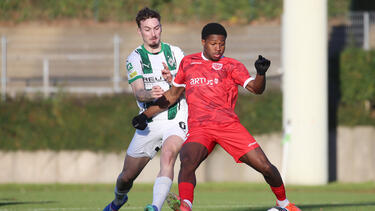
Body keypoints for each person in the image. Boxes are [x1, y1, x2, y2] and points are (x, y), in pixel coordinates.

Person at [132, 23, 301, 211]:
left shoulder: (231, 65)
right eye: (213, 44)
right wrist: (146, 115)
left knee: (265, 166)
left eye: (222, 44)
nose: (218, 48)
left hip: (228, 126)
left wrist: (261, 73)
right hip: (199, 128)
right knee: (187, 161)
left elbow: (256, 89)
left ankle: (285, 204)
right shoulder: (188, 63)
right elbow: (172, 95)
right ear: (203, 42)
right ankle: (185, 206)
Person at [103, 7, 188, 211]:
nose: (153, 33)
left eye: (156, 28)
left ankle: (155, 207)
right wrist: (151, 94)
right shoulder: (135, 58)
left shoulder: (176, 53)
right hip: (148, 122)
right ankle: (118, 200)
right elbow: (139, 92)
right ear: (140, 31)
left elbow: (186, 86)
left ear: (161, 28)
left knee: (168, 155)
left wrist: (172, 81)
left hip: (176, 119)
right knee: (126, 177)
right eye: (147, 29)